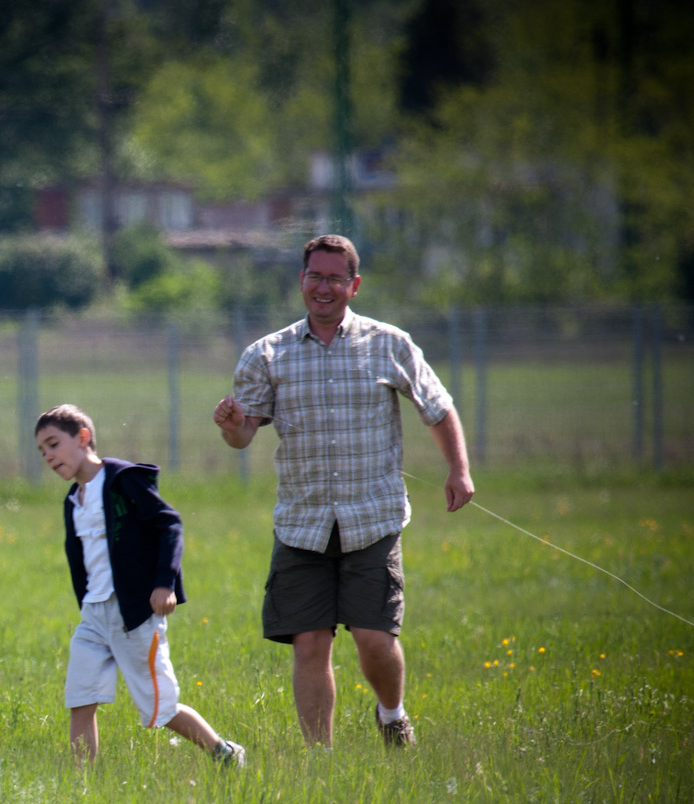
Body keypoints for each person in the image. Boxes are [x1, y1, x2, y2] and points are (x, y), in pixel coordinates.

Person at [213, 234, 474, 749]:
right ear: (301, 281)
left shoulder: (388, 343)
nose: (324, 287)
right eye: (315, 276)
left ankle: (392, 714)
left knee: (375, 640)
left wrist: (458, 470)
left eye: (335, 278)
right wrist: (231, 424)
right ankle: (320, 761)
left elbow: (437, 407)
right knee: (309, 643)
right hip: (301, 522)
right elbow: (243, 435)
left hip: (371, 516)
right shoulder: (267, 353)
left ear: (353, 285)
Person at [35, 404, 246, 767]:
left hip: (132, 614)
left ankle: (224, 754)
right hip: (93, 616)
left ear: (83, 438)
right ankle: (80, 788)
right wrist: (87, 602)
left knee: (159, 709)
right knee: (80, 699)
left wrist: (165, 583)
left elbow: (169, 525)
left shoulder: (122, 480)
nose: (48, 456)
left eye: (53, 444)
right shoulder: (74, 500)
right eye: (42, 451)